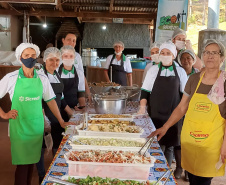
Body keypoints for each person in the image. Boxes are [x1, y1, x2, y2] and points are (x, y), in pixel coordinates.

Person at [150, 39, 226, 185]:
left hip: (211, 143)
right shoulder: (193, 79)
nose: (210, 56)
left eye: (214, 53)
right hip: (190, 140)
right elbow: (181, 107)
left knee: (202, 180)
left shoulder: (224, 81)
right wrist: (165, 127)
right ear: (202, 56)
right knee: (192, 177)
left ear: (222, 57)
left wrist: (225, 144)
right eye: (207, 52)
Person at [0, 43, 71, 185]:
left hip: (36, 126)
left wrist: (61, 120)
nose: (30, 58)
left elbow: (51, 101)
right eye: (26, 56)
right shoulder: (11, 77)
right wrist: (4, 114)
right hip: (19, 126)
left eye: (33, 56)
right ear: (20, 58)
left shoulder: (42, 78)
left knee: (32, 161)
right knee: (22, 163)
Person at [139, 41, 188, 166]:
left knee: (170, 145)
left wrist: (184, 114)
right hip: (155, 113)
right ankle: (155, 168)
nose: (165, 55)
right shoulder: (153, 70)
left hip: (174, 115)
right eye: (162, 53)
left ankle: (167, 172)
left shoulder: (180, 72)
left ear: (173, 55)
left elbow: (184, 96)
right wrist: (142, 107)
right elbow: (145, 91)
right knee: (156, 143)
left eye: (168, 53)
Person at [36, 47, 74, 183]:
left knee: (57, 143)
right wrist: (44, 118)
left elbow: (61, 97)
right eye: (51, 59)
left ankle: (55, 170)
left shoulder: (57, 74)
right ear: (45, 59)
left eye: (57, 60)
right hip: (43, 116)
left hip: (57, 115)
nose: (55, 63)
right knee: (41, 146)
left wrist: (71, 113)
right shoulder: (40, 75)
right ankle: (41, 173)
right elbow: (38, 99)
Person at [174, 49, 199, 180]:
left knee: (191, 140)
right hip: (179, 109)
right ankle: (179, 167)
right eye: (183, 58)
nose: (186, 60)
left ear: (193, 60)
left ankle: (189, 170)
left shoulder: (199, 75)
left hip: (195, 112)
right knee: (178, 140)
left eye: (188, 58)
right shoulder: (177, 72)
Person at [57, 45, 86, 121]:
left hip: (74, 109)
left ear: (74, 57)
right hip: (58, 109)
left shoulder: (79, 73)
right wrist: (68, 111)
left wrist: (82, 108)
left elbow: (81, 92)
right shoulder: (56, 72)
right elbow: (57, 94)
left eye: (71, 56)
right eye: (66, 56)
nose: (68, 58)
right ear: (61, 57)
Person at [61, 32, 92, 102]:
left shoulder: (77, 56)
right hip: (58, 95)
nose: (71, 43)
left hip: (74, 94)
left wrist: (88, 93)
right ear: (63, 40)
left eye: (74, 41)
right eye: (69, 39)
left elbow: (81, 75)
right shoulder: (55, 55)